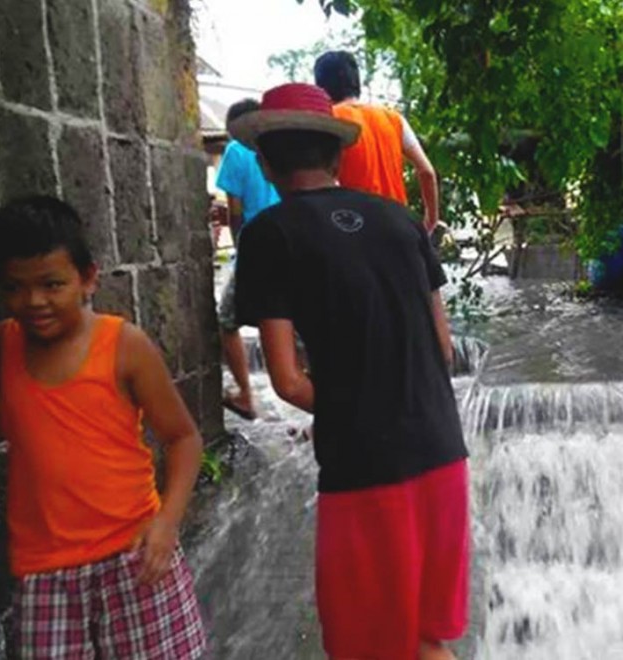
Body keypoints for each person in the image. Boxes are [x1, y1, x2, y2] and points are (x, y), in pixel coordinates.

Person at [232, 83, 469, 660]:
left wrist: (352, 407)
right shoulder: (401, 219)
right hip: (442, 451)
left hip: (366, 470)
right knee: (425, 638)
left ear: (264, 163)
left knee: (366, 646)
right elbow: (442, 346)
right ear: (338, 157)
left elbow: (286, 381)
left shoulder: (267, 235)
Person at [0, 195, 206, 658]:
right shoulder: (5, 350)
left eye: (52, 284)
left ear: (88, 278)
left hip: (135, 558)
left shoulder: (123, 345)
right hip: (44, 574)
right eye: (15, 287)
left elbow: (183, 437)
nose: (34, 301)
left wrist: (168, 521)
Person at [314, 50, 441, 232]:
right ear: (356, 82)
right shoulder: (393, 118)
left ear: (321, 87)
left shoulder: (329, 121)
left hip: (358, 230)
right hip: (400, 227)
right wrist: (430, 222)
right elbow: (427, 172)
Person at [215, 98, 282, 420]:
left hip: (257, 248)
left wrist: (242, 246)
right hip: (291, 244)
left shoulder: (236, 151)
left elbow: (236, 212)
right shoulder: (279, 149)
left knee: (227, 320)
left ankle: (245, 394)